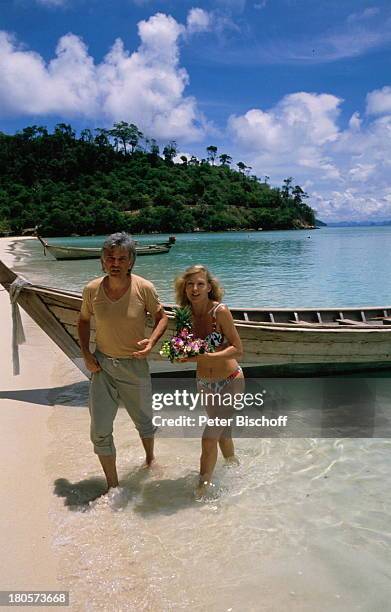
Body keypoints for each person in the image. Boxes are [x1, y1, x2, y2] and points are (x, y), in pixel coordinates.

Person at [78, 232, 168, 491]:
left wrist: (151, 341)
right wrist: (85, 353)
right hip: (102, 366)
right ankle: (113, 487)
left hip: (134, 366)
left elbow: (162, 317)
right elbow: (83, 320)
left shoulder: (144, 288)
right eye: (110, 258)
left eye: (121, 258)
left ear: (131, 261)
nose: (115, 263)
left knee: (144, 422)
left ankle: (150, 460)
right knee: (100, 430)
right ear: (102, 260)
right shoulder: (92, 289)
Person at [175, 265, 244, 495]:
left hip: (231, 380)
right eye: (190, 284)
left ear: (209, 287)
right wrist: (181, 357)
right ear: (183, 288)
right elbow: (185, 349)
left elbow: (238, 349)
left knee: (208, 437)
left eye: (200, 284)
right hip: (204, 383)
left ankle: (202, 488)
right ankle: (234, 467)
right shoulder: (183, 314)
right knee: (222, 434)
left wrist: (210, 356)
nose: (195, 288)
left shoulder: (220, 311)